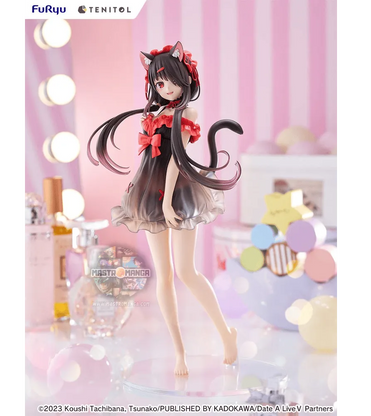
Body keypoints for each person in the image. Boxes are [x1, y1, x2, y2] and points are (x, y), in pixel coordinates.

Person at [88, 41, 243, 376]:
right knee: (164, 275)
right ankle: (179, 352)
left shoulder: (187, 114)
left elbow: (177, 160)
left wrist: (169, 200)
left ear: (185, 78)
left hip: (180, 191)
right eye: (159, 82)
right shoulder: (152, 114)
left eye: (172, 80)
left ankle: (225, 333)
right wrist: (150, 195)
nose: (167, 87)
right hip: (148, 191)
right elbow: (149, 158)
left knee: (186, 271)